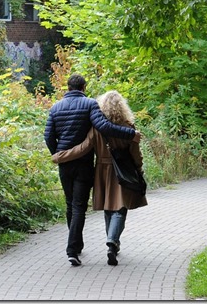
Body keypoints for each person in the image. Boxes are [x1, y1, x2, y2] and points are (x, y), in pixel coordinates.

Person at [44, 74, 141, 267]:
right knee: (80, 206)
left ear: (68, 87)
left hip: (67, 162)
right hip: (85, 164)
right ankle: (75, 248)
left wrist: (58, 153)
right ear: (84, 87)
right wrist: (131, 134)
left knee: (70, 204)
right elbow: (104, 126)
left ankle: (76, 246)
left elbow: (48, 135)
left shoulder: (55, 107)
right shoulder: (89, 104)